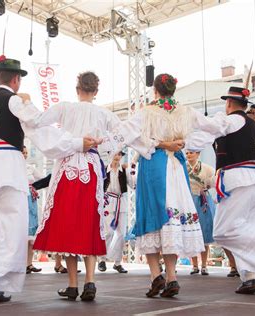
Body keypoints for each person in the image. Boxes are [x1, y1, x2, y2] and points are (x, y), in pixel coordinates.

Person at [0, 57, 98, 303]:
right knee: (12, 230)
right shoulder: (16, 101)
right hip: (6, 167)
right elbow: (39, 129)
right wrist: (76, 143)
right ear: (16, 79)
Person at [18, 71, 157, 301]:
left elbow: (37, 120)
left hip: (67, 164)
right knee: (89, 222)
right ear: (96, 91)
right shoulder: (104, 113)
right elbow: (125, 132)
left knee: (67, 223)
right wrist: (110, 144)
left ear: (77, 89)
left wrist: (23, 103)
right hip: (91, 167)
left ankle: (73, 284)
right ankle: (90, 282)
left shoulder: (65, 107)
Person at [186, 86, 255, 294]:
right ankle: (250, 277)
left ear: (229, 103)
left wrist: (185, 117)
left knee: (223, 231)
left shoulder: (232, 120)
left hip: (239, 181)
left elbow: (208, 128)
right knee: (246, 229)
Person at [124, 73, 205, 298]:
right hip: (177, 167)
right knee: (173, 219)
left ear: (155, 90)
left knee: (150, 215)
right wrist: (182, 143)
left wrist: (159, 142)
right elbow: (208, 129)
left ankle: (155, 275)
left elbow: (127, 133)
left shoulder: (147, 112)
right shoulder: (185, 111)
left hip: (155, 164)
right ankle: (171, 276)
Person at [98, 151, 135, 274]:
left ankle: (117, 262)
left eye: (120, 154)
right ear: (109, 154)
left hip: (121, 202)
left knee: (121, 233)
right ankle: (102, 259)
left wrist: (131, 169)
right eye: (115, 153)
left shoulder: (124, 170)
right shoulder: (103, 169)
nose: (117, 156)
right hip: (108, 202)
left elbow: (133, 185)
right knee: (107, 232)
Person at [186, 150, 216, 276]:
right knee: (191, 231)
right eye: (187, 153)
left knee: (205, 231)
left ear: (198, 154)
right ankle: (194, 265)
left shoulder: (207, 169)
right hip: (188, 200)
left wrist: (207, 186)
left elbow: (215, 181)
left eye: (191, 153)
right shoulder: (183, 168)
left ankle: (204, 265)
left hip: (203, 201)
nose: (189, 155)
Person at [23, 145, 44, 274]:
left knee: (31, 233)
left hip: (31, 199)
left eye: (26, 152)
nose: (25, 154)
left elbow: (43, 178)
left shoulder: (30, 167)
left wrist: (33, 187)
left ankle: (29, 263)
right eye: (22, 152)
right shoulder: (12, 167)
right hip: (19, 198)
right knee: (20, 232)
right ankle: (18, 264)